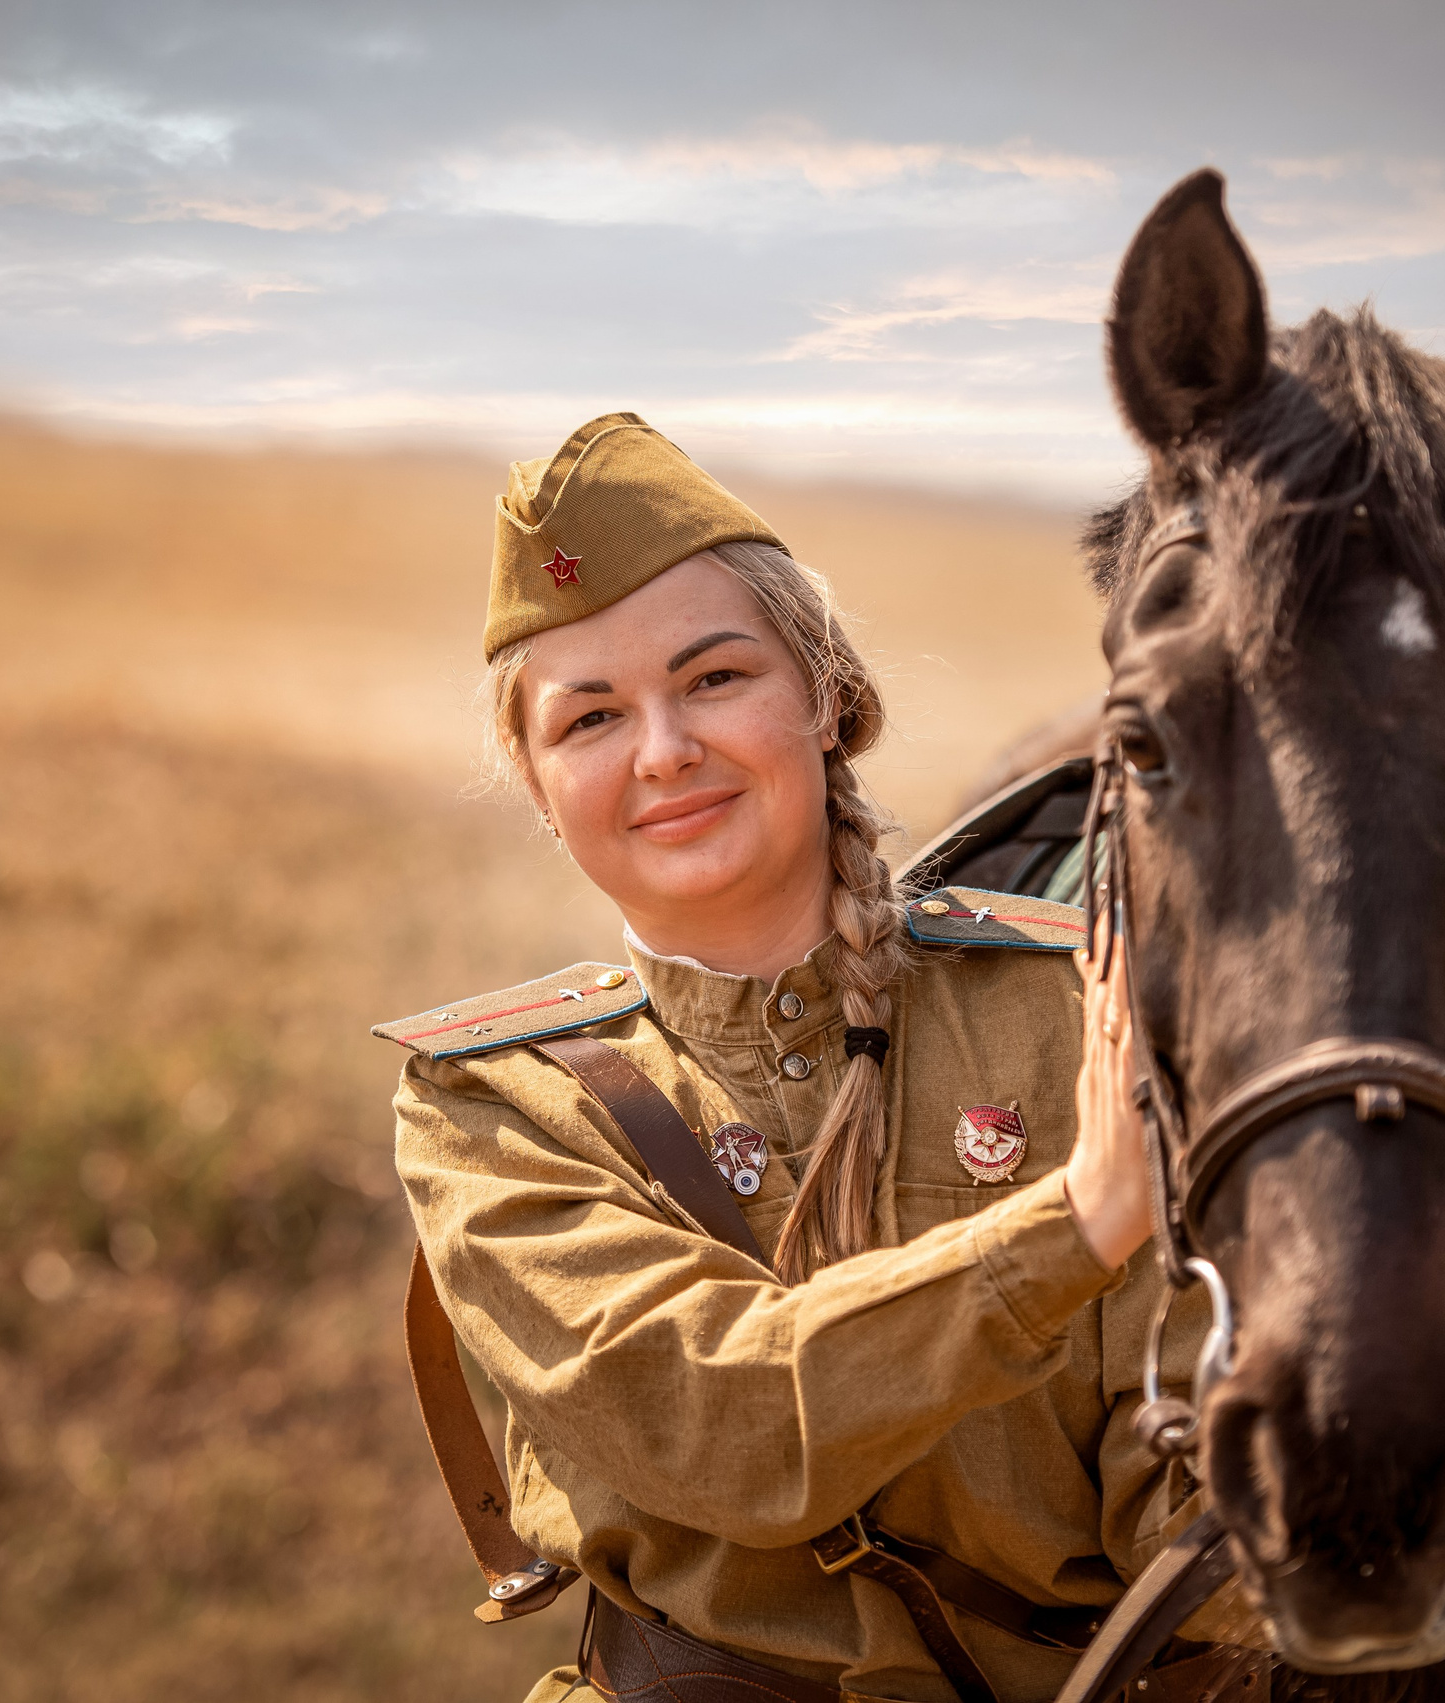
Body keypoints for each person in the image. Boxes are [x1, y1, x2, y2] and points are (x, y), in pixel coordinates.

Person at [378, 413, 1257, 1703]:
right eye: (591, 718)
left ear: (828, 695)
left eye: (714, 679)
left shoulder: (1082, 1007)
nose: (665, 750)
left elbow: (1184, 1514)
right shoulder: (495, 1106)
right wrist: (1076, 1226)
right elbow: (723, 1426)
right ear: (538, 781)